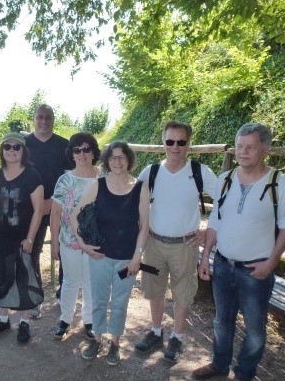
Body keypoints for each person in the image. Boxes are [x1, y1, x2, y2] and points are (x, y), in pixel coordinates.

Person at [193, 123, 285, 381]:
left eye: (250, 147)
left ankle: (244, 375)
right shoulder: (225, 179)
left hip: (256, 270)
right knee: (221, 320)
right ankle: (219, 364)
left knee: (255, 328)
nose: (243, 152)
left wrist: (270, 263)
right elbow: (216, 219)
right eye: (239, 146)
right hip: (224, 264)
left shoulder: (280, 183)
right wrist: (206, 258)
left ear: (265, 150)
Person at [134, 121, 217, 362]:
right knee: (154, 288)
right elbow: (135, 203)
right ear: (163, 143)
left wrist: (208, 230)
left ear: (188, 144)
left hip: (186, 246)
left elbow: (224, 201)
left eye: (181, 142)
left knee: (183, 293)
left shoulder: (201, 172)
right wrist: (141, 227)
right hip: (154, 245)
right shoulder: (151, 172)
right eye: (170, 141)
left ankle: (177, 337)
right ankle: (157, 332)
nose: (175, 147)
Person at [70, 141, 149, 366]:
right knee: (99, 299)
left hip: (127, 258)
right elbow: (76, 214)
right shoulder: (98, 185)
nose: (117, 161)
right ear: (106, 160)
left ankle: (114, 342)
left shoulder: (140, 187)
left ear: (129, 160)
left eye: (122, 157)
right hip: (100, 256)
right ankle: (97, 338)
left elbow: (144, 226)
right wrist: (83, 245)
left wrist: (137, 256)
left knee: (120, 301)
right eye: (113, 157)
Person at [0, 133, 44, 343]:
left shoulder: (32, 176)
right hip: (1, 236)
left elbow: (38, 210)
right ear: (2, 151)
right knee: (2, 276)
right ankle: (3, 318)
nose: (12, 150)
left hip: (22, 238)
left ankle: (24, 322)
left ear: (23, 150)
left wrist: (30, 239)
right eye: (7, 147)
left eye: (17, 147)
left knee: (23, 279)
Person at [50, 132, 100, 340]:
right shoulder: (65, 180)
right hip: (69, 242)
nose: (82, 154)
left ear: (94, 152)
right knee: (70, 281)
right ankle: (65, 319)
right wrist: (54, 241)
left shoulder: (104, 178)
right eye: (77, 150)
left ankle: (89, 321)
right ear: (71, 154)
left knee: (90, 282)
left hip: (95, 243)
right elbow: (56, 212)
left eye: (86, 149)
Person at [24, 104, 72, 317]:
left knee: (64, 251)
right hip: (30, 208)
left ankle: (64, 293)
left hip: (58, 206)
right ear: (33, 119)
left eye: (48, 117)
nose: (44, 121)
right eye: (40, 117)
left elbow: (71, 178)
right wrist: (36, 204)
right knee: (30, 252)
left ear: (54, 120)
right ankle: (35, 297)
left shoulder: (64, 145)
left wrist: (53, 202)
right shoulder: (22, 145)